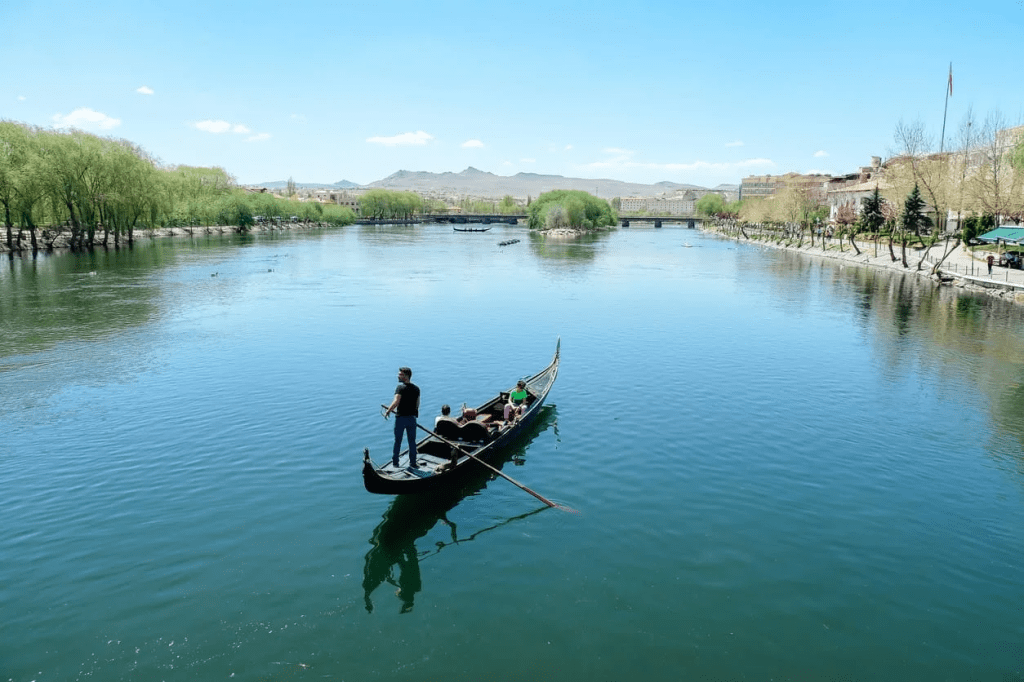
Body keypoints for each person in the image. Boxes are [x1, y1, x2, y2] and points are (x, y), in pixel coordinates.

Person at [384, 367, 420, 468]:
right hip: (412, 419)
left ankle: (395, 463)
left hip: (401, 419)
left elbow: (396, 401)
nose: (398, 376)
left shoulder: (400, 388)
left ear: (406, 376)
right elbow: (417, 404)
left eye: (400, 374)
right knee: (412, 442)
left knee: (398, 441)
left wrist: (388, 411)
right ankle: (413, 462)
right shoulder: (416, 389)